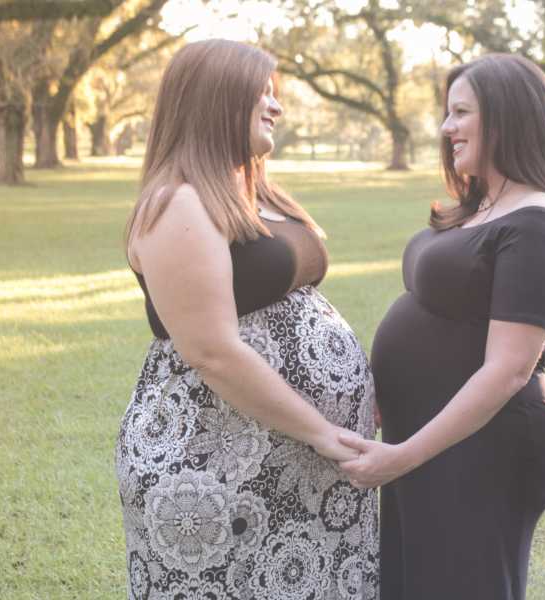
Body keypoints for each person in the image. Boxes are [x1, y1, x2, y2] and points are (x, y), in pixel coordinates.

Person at [114, 40, 378, 600]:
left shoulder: (253, 190)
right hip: (219, 467)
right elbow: (212, 351)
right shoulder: (177, 204)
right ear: (216, 99)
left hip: (292, 463)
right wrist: (323, 431)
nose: (276, 107)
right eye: (262, 93)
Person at [338, 53, 545, 600]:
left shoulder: (539, 224)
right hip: (432, 439)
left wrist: (401, 456)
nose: (446, 128)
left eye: (461, 113)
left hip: (485, 449)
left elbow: (507, 371)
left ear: (507, 117)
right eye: (447, 113)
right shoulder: (484, 203)